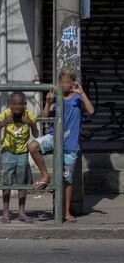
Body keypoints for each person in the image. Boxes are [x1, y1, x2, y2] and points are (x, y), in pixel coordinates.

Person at [29, 68, 95, 223]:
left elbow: (91, 111)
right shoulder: (57, 96)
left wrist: (82, 93)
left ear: (73, 83)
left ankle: (66, 212)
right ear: (58, 83)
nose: (65, 85)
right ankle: (45, 175)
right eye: (62, 82)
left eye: (68, 82)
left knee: (67, 180)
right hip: (54, 137)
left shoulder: (78, 98)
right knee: (33, 146)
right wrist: (48, 102)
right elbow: (44, 118)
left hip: (71, 143)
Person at [0, 92, 39, 224]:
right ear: (9, 104)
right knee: (6, 184)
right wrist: (4, 122)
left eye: (21, 104)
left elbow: (36, 134)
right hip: (8, 152)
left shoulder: (29, 114)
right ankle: (5, 212)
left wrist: (31, 123)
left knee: (22, 184)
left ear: (25, 104)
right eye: (14, 104)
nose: (17, 107)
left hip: (23, 153)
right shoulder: (6, 114)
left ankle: (21, 212)